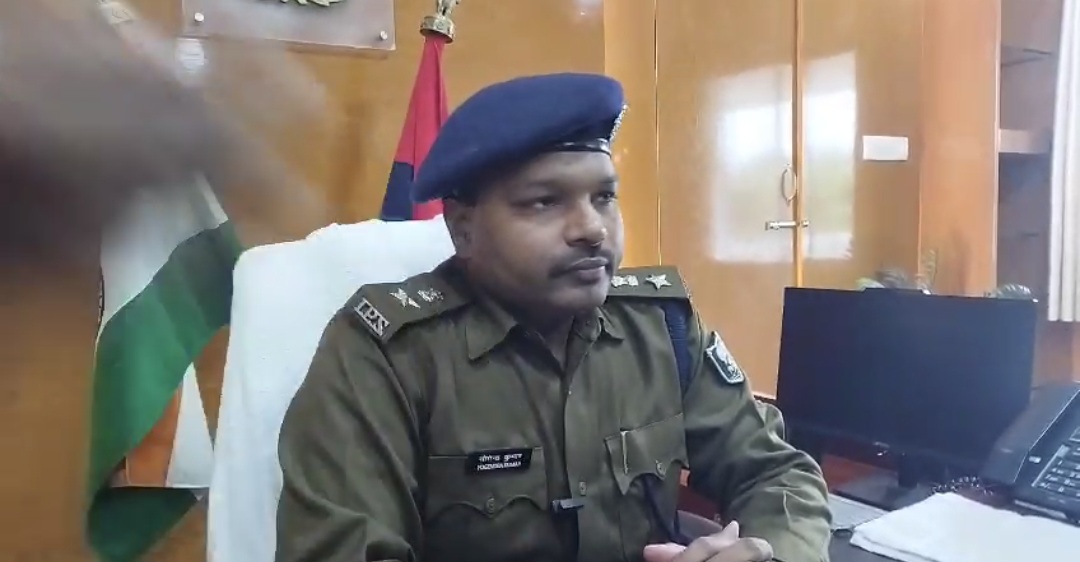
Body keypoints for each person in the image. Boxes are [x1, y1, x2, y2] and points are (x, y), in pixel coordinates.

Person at [276, 73, 832, 562]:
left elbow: (775, 472)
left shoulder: (662, 328)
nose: (591, 228)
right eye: (544, 202)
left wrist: (768, 553)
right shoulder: (388, 355)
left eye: (604, 197)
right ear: (463, 228)